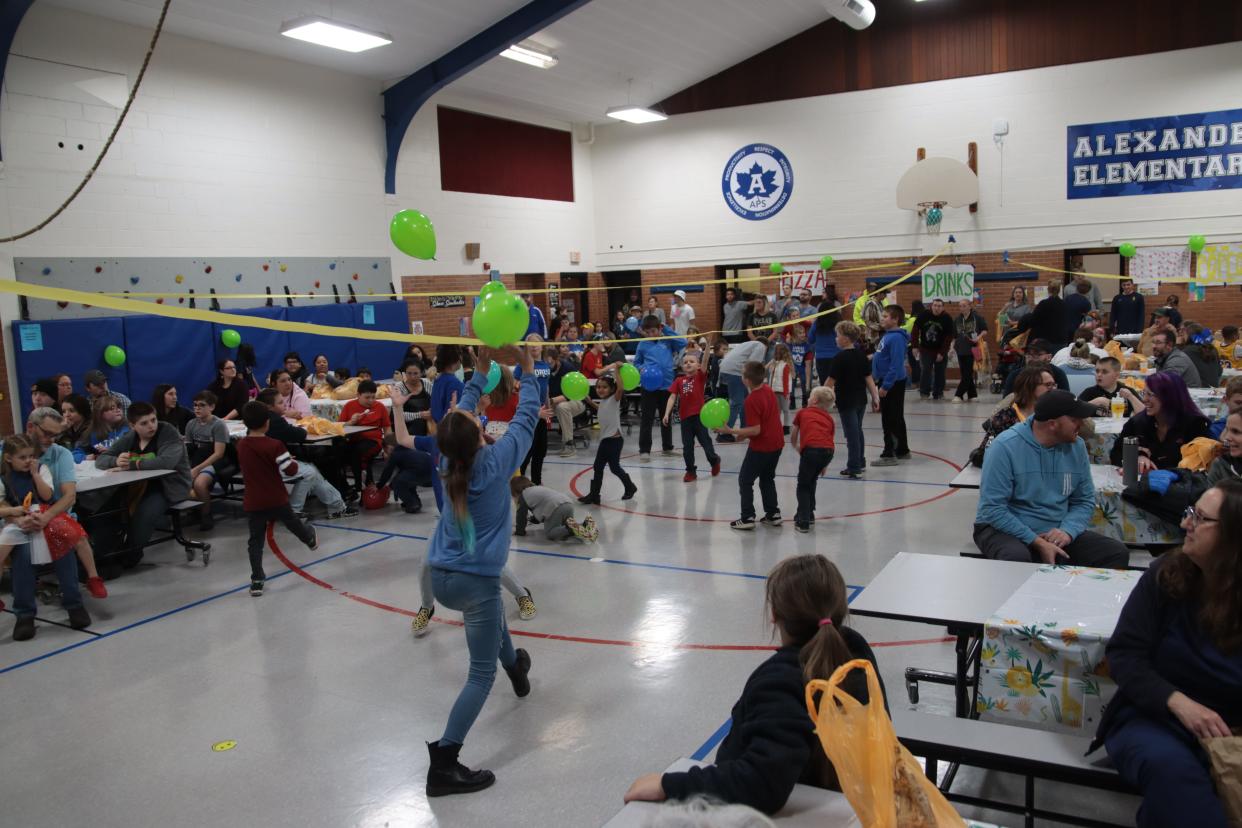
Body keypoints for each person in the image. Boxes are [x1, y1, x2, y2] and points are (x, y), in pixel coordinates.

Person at [625, 554, 885, 814]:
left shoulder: (781, 681)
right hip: (856, 802)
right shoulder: (855, 650)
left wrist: (668, 785)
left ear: (774, 615)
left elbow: (761, 784)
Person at [422, 344, 540, 797]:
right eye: (475, 419)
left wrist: (481, 372)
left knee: (491, 622)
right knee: (478, 675)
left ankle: (516, 665)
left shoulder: (448, 458)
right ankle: (445, 762)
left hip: (442, 578)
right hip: (475, 583)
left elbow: (461, 416)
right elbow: (527, 417)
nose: (474, 415)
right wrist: (527, 371)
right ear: (478, 436)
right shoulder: (496, 460)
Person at [1097, 479, 1242, 828]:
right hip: (1156, 719)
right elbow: (1125, 656)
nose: (1185, 524)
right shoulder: (1166, 575)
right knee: (1175, 778)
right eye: (1190, 513)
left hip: (1231, 730)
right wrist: (1180, 703)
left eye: (1200, 519)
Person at [974, 390, 1130, 567]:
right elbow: (993, 510)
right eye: (1074, 419)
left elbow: (1084, 500)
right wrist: (1037, 542)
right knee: (1017, 560)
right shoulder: (1004, 447)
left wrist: (1067, 531)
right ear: (1052, 424)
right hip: (1003, 528)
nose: (1081, 423)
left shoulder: (1077, 446)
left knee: (1116, 553)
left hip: (1054, 530)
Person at [2, 432, 92, 639]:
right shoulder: (3, 478)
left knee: (64, 551)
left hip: (48, 519)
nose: (28, 461)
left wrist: (35, 475)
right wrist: (18, 518)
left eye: (30, 456)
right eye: (22, 458)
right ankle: (24, 615)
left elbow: (48, 496)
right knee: (22, 559)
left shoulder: (42, 470)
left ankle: (74, 604)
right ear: (8, 458)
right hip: (20, 524)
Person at [235, 401, 318, 597]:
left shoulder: (241, 445)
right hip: (276, 497)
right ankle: (309, 539)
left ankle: (256, 579)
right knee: (292, 522)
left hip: (254, 500)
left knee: (255, 541)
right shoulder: (275, 445)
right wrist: (292, 461)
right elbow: (289, 469)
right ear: (267, 423)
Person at [95, 402, 193, 567]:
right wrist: (115, 460)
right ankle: (105, 554)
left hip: (168, 486)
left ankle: (131, 556)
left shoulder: (167, 432)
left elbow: (166, 462)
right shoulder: (131, 437)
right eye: (144, 423)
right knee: (106, 509)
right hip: (137, 486)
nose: (151, 426)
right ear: (133, 426)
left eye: (153, 420)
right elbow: (102, 459)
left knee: (144, 515)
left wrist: (130, 465)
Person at [716, 361, 783, 531]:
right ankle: (773, 514)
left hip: (762, 447)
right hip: (777, 443)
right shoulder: (768, 390)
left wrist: (731, 430)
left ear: (745, 380)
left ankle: (747, 517)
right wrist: (742, 434)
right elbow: (763, 423)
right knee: (767, 478)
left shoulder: (751, 399)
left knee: (745, 480)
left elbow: (756, 429)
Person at [1110, 371, 1210, 472]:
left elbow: (1201, 463)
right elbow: (1116, 454)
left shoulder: (1195, 425)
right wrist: (1137, 457)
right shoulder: (1138, 423)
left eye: (1150, 394)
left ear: (1169, 397)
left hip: (1182, 484)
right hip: (1143, 483)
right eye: (1144, 393)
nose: (1144, 399)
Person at [970, 366, 1056, 467]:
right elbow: (987, 450)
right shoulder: (1005, 418)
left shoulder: (1058, 414)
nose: (1053, 389)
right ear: (1030, 386)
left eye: (1054, 385)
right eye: (1048, 385)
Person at [826, 321, 879, 479]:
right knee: (857, 430)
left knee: (852, 434)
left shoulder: (839, 358)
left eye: (838, 336)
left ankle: (854, 467)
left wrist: (817, 399)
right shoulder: (860, 355)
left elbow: (830, 382)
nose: (836, 339)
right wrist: (875, 397)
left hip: (847, 402)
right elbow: (869, 378)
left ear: (846, 338)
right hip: (860, 400)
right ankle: (860, 461)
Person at [579, 365, 637, 505]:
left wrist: (616, 371)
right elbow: (601, 409)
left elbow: (621, 388)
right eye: (598, 387)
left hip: (614, 441)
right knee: (598, 467)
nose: (600, 389)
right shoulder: (605, 402)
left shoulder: (614, 399)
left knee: (614, 467)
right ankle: (594, 495)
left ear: (611, 389)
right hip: (606, 440)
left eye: (604, 387)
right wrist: (589, 401)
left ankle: (630, 487)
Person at [382, 385, 443, 515]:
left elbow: (387, 472)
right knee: (404, 478)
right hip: (446, 515)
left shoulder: (471, 449)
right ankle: (413, 501)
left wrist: (379, 486)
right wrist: (397, 407)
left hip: (467, 517)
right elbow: (403, 438)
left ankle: (413, 502)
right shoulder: (434, 441)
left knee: (399, 481)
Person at [634, 315, 685, 462]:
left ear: (659, 329)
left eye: (653, 331)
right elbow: (636, 363)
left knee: (666, 417)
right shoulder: (642, 344)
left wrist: (666, 328)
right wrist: (642, 368)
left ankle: (667, 447)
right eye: (647, 332)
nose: (651, 335)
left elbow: (683, 342)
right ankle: (644, 450)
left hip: (667, 386)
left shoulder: (668, 341)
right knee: (647, 419)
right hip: (648, 387)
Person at [663, 352, 721, 483]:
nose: (688, 363)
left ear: (699, 365)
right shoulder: (679, 381)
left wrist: (708, 344)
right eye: (685, 362)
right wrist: (667, 413)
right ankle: (690, 471)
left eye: (692, 361)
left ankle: (714, 460)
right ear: (682, 366)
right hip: (685, 420)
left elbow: (706, 361)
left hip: (700, 418)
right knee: (687, 447)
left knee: (706, 444)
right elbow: (672, 397)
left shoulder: (700, 377)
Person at [185, 391, 235, 530]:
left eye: (202, 405)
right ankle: (193, 510)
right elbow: (189, 449)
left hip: (215, 460)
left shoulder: (218, 425)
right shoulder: (191, 424)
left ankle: (205, 514)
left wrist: (196, 469)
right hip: (197, 459)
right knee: (181, 480)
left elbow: (219, 454)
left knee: (200, 483)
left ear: (212, 407)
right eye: (195, 405)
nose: (197, 408)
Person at [790, 386, 836, 533]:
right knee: (812, 480)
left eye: (810, 396)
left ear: (814, 400)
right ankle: (809, 513)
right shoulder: (829, 419)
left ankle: (803, 521)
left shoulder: (802, 412)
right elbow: (829, 439)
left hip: (811, 451)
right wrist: (824, 465)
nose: (808, 398)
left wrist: (796, 446)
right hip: (828, 452)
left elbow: (794, 434)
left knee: (803, 485)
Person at [871, 306, 911, 467]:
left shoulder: (895, 338)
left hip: (892, 383)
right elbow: (884, 356)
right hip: (889, 381)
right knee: (895, 416)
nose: (882, 319)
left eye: (886, 316)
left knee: (890, 418)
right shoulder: (889, 336)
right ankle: (902, 449)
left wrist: (886, 386)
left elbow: (895, 364)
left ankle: (890, 453)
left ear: (895, 320)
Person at [338, 380, 392, 490]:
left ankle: (360, 484)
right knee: (337, 451)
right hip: (353, 439)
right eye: (367, 397)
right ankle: (344, 487)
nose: (371, 400)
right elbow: (339, 426)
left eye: (373, 397)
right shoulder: (349, 406)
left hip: (373, 441)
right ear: (358, 395)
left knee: (357, 452)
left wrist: (388, 447)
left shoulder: (380, 407)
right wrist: (350, 422)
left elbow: (387, 428)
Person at [513, 335, 553, 483]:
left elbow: (546, 388)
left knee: (540, 450)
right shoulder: (522, 366)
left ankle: (537, 480)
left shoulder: (545, 366)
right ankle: (519, 480)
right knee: (527, 450)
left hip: (543, 414)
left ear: (542, 346)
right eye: (531, 344)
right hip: (530, 413)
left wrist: (548, 410)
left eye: (537, 344)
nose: (534, 346)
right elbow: (515, 387)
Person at [511, 475, 597, 542]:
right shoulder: (537, 488)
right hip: (568, 503)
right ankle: (584, 525)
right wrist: (534, 519)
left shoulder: (523, 495)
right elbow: (541, 504)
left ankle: (570, 529)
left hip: (555, 507)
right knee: (565, 528)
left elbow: (521, 515)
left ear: (516, 491)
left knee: (550, 533)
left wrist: (520, 531)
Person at [717, 338, 767, 440]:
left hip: (727, 369)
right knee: (737, 403)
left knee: (745, 401)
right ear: (766, 346)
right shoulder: (761, 346)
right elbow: (752, 366)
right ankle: (724, 433)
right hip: (734, 371)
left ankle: (745, 430)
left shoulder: (747, 343)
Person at [912, 298, 955, 400]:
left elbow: (949, 337)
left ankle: (938, 393)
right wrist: (914, 346)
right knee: (926, 370)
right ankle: (924, 393)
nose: (937, 308)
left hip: (940, 349)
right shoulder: (924, 315)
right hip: (926, 349)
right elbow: (915, 330)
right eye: (935, 305)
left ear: (942, 307)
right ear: (931, 306)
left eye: (939, 306)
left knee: (940, 372)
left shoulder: (947, 318)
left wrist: (942, 352)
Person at [1012, 280, 1069, 352]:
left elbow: (1033, 320)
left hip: (1046, 341)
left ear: (1048, 290)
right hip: (1061, 340)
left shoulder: (1043, 304)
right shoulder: (1064, 304)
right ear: (1059, 290)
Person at [1079, 357, 1144, 418]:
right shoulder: (1090, 392)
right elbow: (1074, 411)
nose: (1099, 375)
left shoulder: (1126, 391)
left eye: (1104, 372)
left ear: (1117, 375)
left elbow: (1145, 415)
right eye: (1097, 371)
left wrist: (1131, 397)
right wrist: (1096, 402)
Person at [952, 299, 987, 402]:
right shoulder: (957, 319)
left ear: (969, 306)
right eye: (960, 306)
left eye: (964, 305)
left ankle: (958, 394)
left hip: (973, 349)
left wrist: (978, 337)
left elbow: (985, 330)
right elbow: (955, 336)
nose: (962, 308)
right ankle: (972, 395)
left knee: (968, 372)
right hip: (960, 349)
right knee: (965, 373)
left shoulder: (977, 318)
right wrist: (951, 347)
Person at [396, 359, 432, 437]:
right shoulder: (399, 387)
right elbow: (397, 415)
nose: (412, 377)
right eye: (409, 373)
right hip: (407, 429)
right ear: (404, 373)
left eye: (416, 373)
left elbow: (436, 404)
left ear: (422, 373)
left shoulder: (427, 383)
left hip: (429, 426)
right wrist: (420, 415)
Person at [1180, 323, 1223, 389]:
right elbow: (1219, 371)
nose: (1183, 337)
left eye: (1184, 334)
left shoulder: (1187, 351)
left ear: (1189, 336)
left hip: (1195, 389)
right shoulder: (1213, 349)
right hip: (1213, 389)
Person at [431, 345, 466, 422]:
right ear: (457, 358)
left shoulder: (438, 379)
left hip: (439, 427)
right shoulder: (455, 384)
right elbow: (455, 416)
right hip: (449, 430)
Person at [765, 343, 794, 434]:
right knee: (777, 410)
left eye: (777, 353)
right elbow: (766, 370)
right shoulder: (774, 362)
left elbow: (786, 379)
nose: (775, 354)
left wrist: (786, 392)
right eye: (775, 352)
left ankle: (786, 426)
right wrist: (771, 362)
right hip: (774, 390)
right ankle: (777, 425)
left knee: (786, 409)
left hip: (783, 391)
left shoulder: (786, 364)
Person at [786, 323, 810, 410]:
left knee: (804, 381)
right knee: (792, 383)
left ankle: (805, 399)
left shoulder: (806, 345)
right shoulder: (791, 345)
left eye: (803, 332)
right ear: (795, 335)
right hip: (793, 367)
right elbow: (788, 356)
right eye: (800, 333)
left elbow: (808, 363)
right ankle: (792, 401)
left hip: (802, 367)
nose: (803, 334)